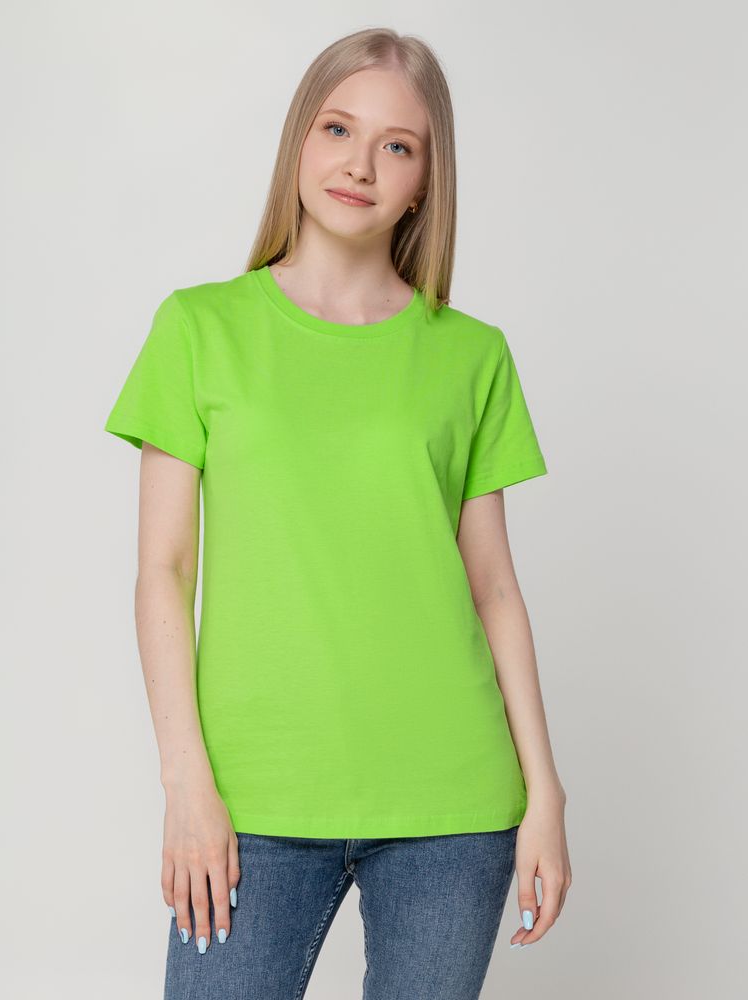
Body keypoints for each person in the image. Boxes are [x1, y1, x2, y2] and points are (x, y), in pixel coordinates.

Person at [104, 26, 571, 1000]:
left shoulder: (471, 355)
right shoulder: (199, 328)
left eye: (397, 145)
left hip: (453, 802)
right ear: (299, 143)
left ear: (425, 181)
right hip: (252, 797)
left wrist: (545, 794)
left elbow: (494, 588)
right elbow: (163, 572)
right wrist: (185, 783)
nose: (361, 163)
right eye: (338, 128)